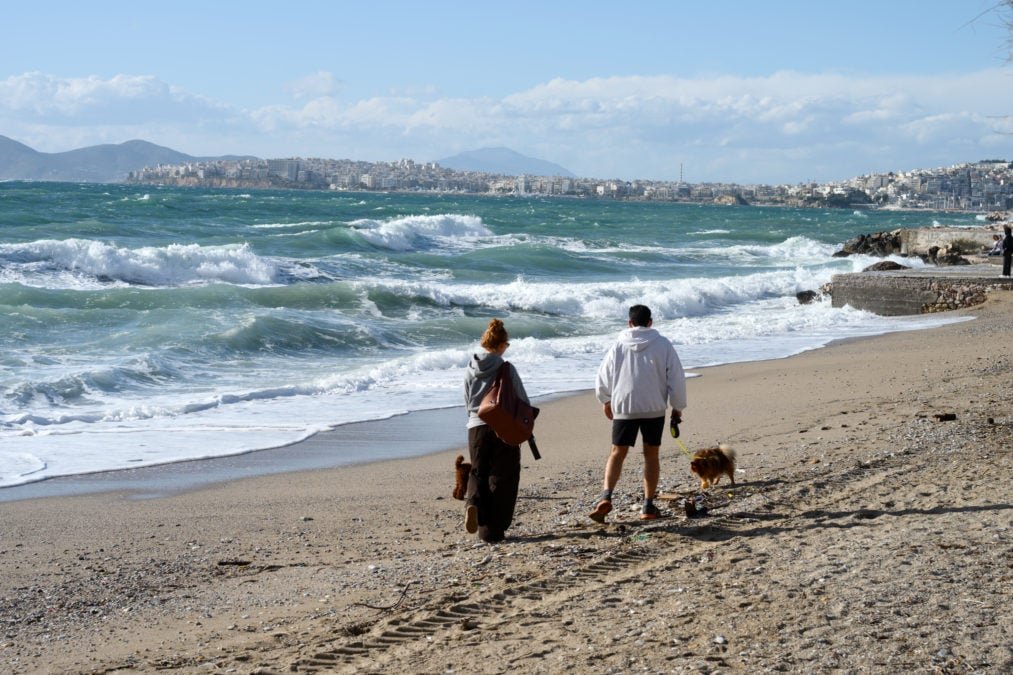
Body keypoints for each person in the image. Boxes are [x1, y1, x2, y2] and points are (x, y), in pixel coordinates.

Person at [590, 304, 687, 522]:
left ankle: (606, 496)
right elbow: (676, 378)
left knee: (617, 452)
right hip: (654, 407)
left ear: (629, 323)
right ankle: (648, 506)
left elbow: (603, 376)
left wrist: (605, 400)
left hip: (625, 406)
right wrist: (677, 408)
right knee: (651, 455)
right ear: (650, 322)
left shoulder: (618, 345)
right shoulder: (663, 344)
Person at [463, 318, 530, 543]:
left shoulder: (470, 368)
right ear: (502, 344)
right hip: (502, 427)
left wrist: (474, 419)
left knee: (478, 472)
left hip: (475, 426)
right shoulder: (505, 368)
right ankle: (492, 532)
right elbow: (521, 399)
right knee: (502, 477)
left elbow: (466, 400)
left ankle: (472, 503)